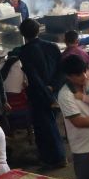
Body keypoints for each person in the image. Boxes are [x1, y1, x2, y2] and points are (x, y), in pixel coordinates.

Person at [18, 19, 66, 170]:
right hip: (54, 91)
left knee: (44, 126)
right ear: (39, 30)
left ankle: (55, 158)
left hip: (39, 94)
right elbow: (61, 70)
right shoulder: (52, 46)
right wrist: (53, 87)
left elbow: (34, 77)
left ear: (22, 34)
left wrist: (47, 93)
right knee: (50, 123)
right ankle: (51, 156)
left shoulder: (25, 52)